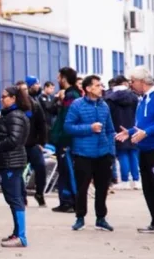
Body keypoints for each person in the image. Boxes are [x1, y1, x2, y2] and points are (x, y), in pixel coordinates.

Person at [116, 66, 154, 237]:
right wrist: (130, 132)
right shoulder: (143, 98)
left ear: (142, 81)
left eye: (133, 81)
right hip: (144, 147)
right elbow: (143, 124)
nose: (131, 85)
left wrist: (147, 132)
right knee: (148, 187)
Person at [64, 75, 116, 232]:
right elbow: (68, 127)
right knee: (82, 187)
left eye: (101, 85)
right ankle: (80, 217)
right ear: (88, 88)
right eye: (97, 85)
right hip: (83, 153)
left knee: (102, 188)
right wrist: (89, 128)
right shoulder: (77, 105)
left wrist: (111, 151)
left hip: (103, 153)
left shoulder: (104, 106)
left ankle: (101, 218)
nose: (101, 88)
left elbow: (110, 130)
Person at [0, 86, 31, 247]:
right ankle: (17, 232)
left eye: (4, 96)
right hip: (8, 161)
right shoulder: (9, 114)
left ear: (13, 98)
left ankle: (21, 236)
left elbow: (14, 139)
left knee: (15, 198)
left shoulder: (15, 115)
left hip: (11, 162)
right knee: (13, 198)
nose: (1, 99)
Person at [49, 67, 83, 213]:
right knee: (64, 171)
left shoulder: (71, 95)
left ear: (64, 78)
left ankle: (71, 201)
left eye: (59, 77)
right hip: (66, 139)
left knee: (68, 171)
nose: (57, 80)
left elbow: (68, 118)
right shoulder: (71, 94)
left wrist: (62, 137)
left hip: (67, 140)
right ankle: (66, 200)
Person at [104, 76, 141, 190]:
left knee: (122, 153)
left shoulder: (110, 98)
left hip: (118, 127)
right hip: (133, 127)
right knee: (133, 153)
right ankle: (136, 180)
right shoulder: (134, 97)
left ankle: (125, 180)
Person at [17, 81, 48, 207]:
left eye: (25, 89)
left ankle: (39, 193)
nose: (24, 92)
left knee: (41, 168)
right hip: (19, 146)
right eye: (21, 90)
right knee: (19, 172)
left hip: (33, 144)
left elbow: (42, 124)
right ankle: (22, 196)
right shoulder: (14, 106)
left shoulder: (34, 105)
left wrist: (42, 143)